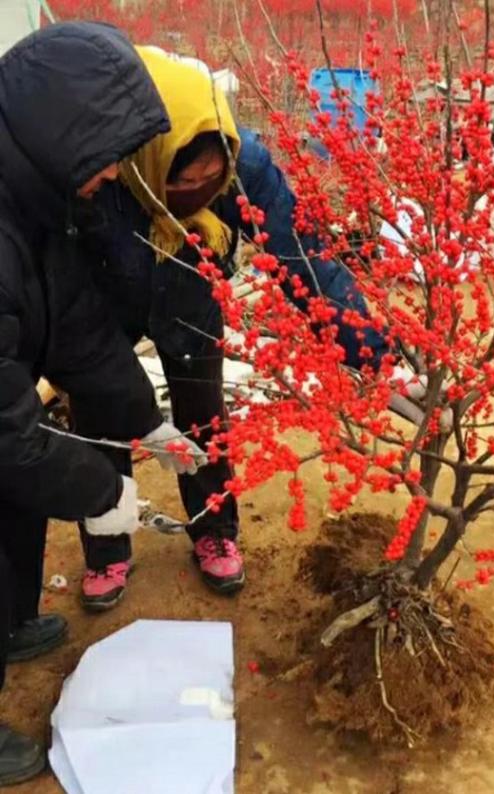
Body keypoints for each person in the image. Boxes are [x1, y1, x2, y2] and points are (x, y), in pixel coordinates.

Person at [79, 47, 394, 610]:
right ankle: (106, 545)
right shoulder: (107, 168)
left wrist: (370, 351)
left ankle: (214, 528)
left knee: (203, 416)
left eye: (210, 179)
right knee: (99, 414)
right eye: (184, 182)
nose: (199, 189)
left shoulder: (245, 164)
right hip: (103, 293)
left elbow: (302, 258)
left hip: (192, 294)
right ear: (149, 168)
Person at [0, 21, 207, 785]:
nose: (117, 176)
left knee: (14, 511)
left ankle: (10, 621)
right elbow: (5, 436)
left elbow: (76, 328)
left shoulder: (35, 202)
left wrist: (144, 420)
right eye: (110, 156)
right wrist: (101, 490)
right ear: (61, 135)